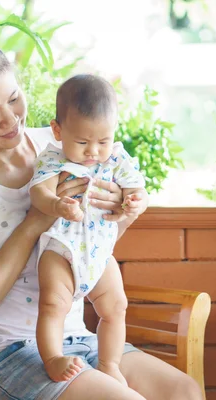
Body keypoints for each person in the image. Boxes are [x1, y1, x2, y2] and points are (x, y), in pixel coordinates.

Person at [0, 33, 202, 400]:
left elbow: (89, 249)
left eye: (13, 99)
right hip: (2, 354)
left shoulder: (70, 144)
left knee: (184, 392)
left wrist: (121, 211)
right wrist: (35, 221)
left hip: (79, 339)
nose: (11, 120)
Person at [30, 74, 147, 384]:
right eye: (82, 142)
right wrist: (55, 205)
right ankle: (53, 358)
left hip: (100, 253)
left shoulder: (117, 158)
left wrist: (135, 202)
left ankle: (110, 363)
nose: (94, 151)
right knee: (53, 304)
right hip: (61, 250)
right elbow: (38, 192)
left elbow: (138, 190)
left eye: (103, 141)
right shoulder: (53, 159)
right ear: (58, 130)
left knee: (116, 307)